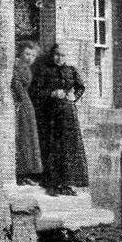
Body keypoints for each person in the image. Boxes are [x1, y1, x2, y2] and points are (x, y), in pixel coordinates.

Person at [32, 43, 89, 196]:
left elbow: (81, 87)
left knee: (69, 148)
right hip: (50, 114)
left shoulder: (71, 71)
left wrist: (74, 96)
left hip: (69, 114)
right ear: (52, 55)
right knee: (54, 147)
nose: (59, 58)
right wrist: (51, 93)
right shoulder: (45, 70)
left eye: (62, 55)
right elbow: (36, 91)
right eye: (57, 54)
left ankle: (67, 183)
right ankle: (53, 183)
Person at [11, 40, 43, 186]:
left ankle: (26, 173)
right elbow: (16, 85)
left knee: (28, 139)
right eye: (27, 54)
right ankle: (19, 173)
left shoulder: (27, 69)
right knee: (20, 138)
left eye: (33, 55)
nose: (29, 57)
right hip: (19, 103)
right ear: (21, 53)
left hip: (26, 104)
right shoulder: (16, 66)